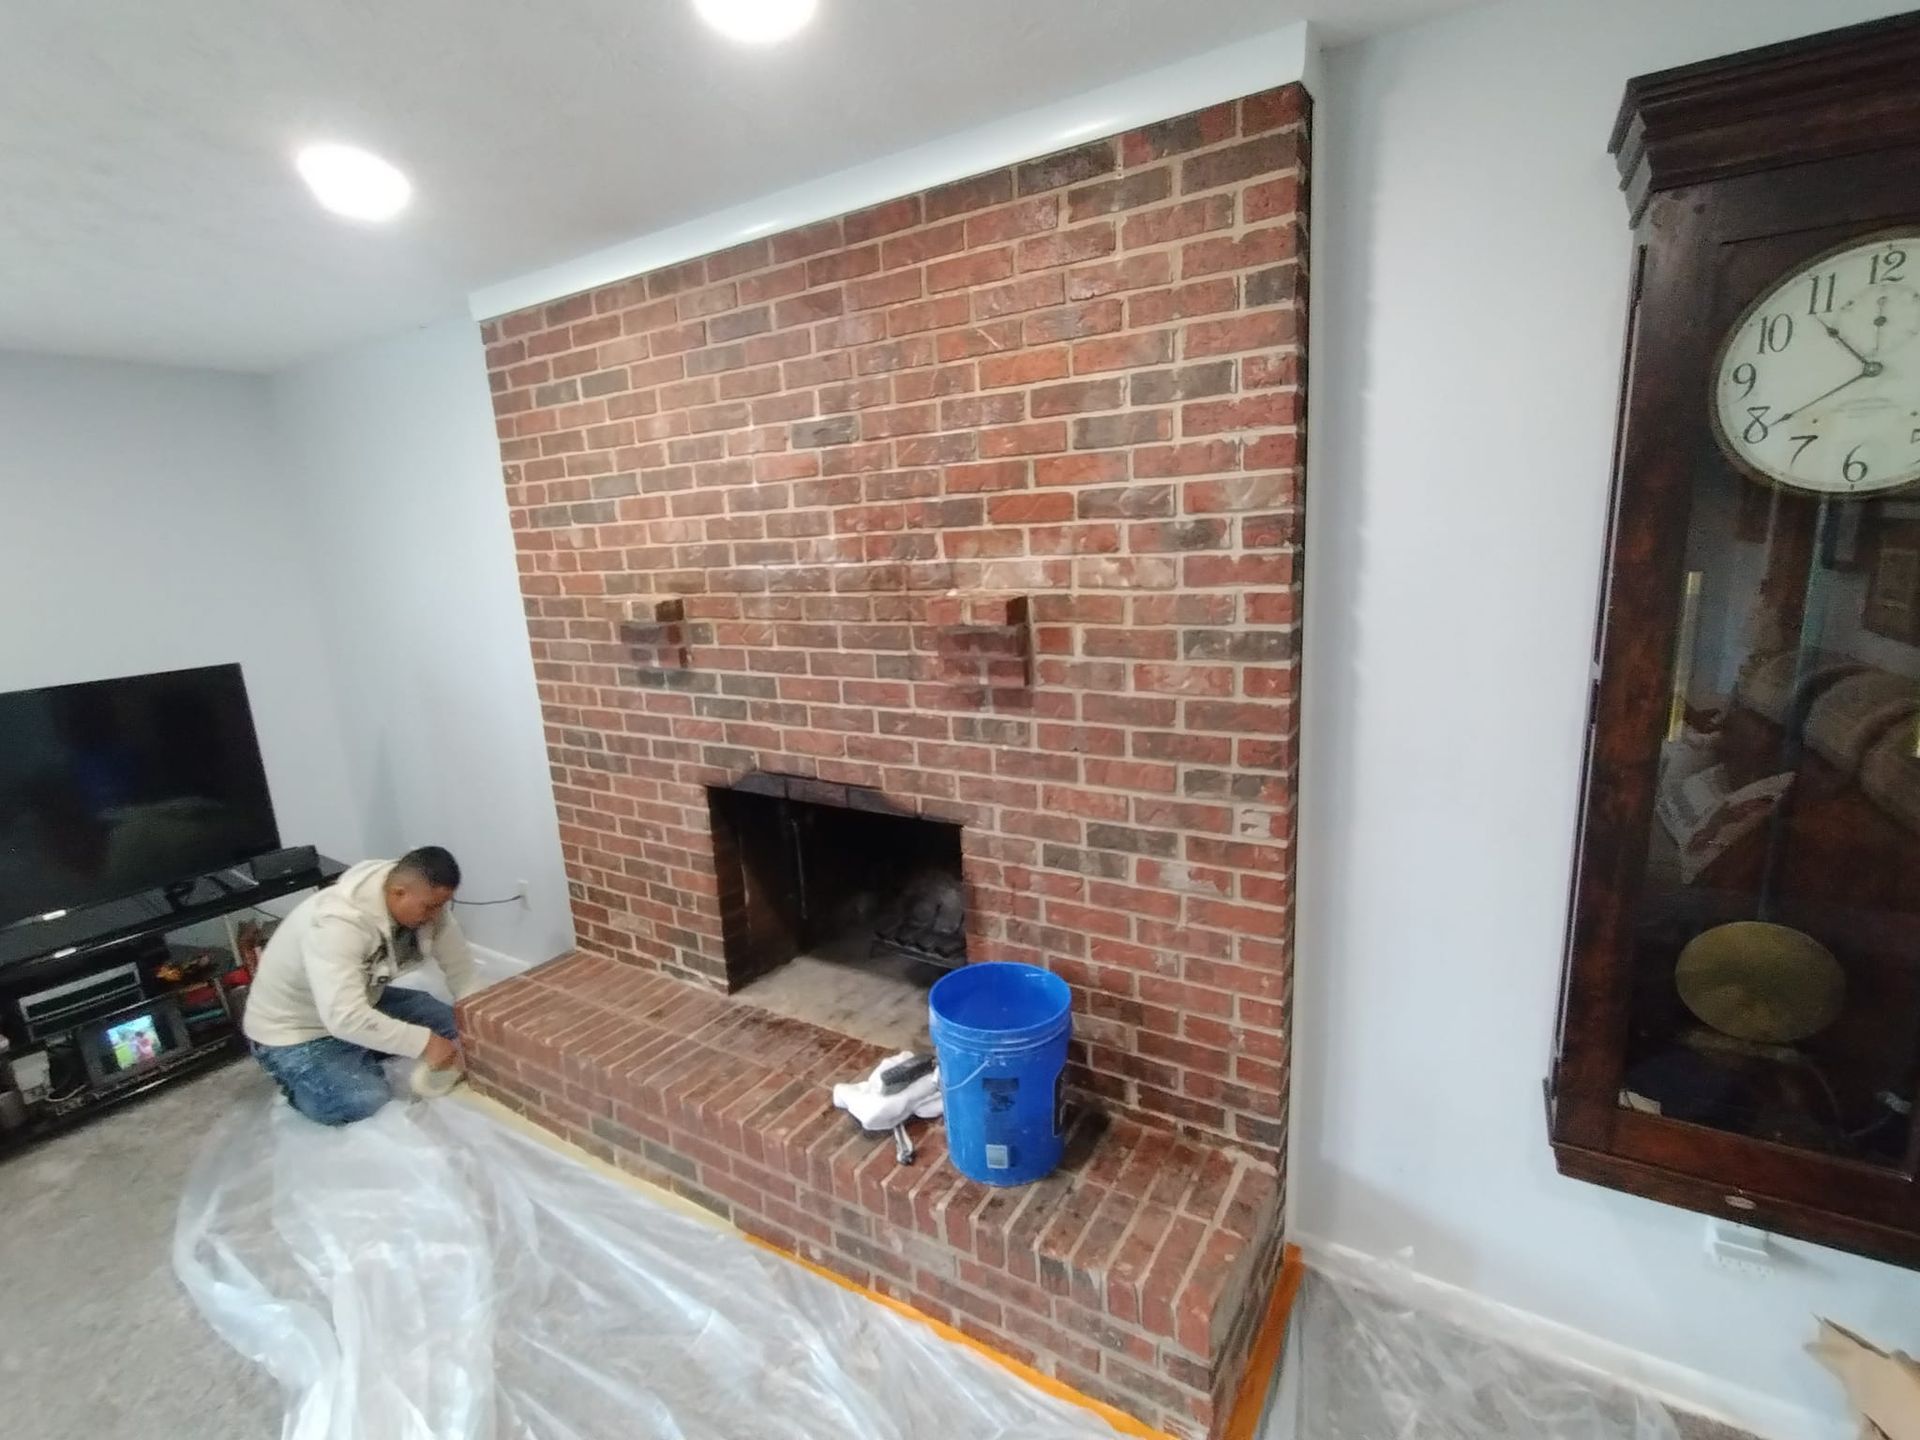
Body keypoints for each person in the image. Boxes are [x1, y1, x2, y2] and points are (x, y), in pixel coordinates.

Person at [242, 846, 477, 1125]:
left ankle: (362, 1046)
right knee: (364, 1100)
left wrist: (479, 1022)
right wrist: (425, 1043)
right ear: (398, 892)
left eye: (442, 905)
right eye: (430, 907)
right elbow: (343, 1017)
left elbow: (462, 971)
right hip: (296, 1031)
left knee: (457, 1025)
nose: (436, 914)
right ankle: (300, 1080)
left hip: (361, 1000)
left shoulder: (426, 903)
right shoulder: (337, 926)